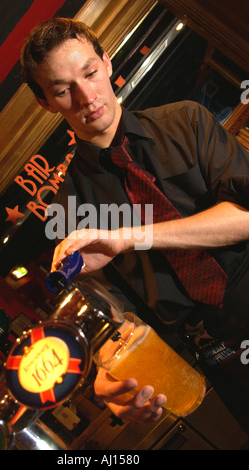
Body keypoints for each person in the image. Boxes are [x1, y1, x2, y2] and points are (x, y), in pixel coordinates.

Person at [21, 18, 249, 432]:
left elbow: (245, 216)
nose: (87, 96)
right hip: (222, 357)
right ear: (45, 103)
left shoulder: (187, 121)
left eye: (90, 73)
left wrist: (127, 238)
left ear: (107, 63)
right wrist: (109, 377)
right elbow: (117, 320)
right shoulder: (69, 211)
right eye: (62, 90)